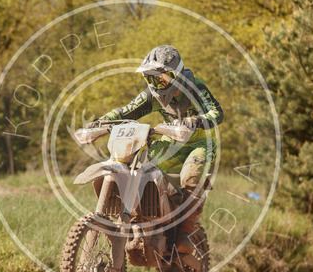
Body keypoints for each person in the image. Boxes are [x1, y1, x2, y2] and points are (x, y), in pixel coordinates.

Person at [87, 45, 223, 252]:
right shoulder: (152, 95)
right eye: (150, 78)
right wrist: (101, 121)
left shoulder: (195, 87)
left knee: (190, 177)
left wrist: (197, 120)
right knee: (139, 166)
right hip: (172, 141)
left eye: (162, 79)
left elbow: (217, 112)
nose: (156, 84)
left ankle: (185, 231)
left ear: (177, 75)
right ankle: (143, 215)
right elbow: (126, 111)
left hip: (200, 144)